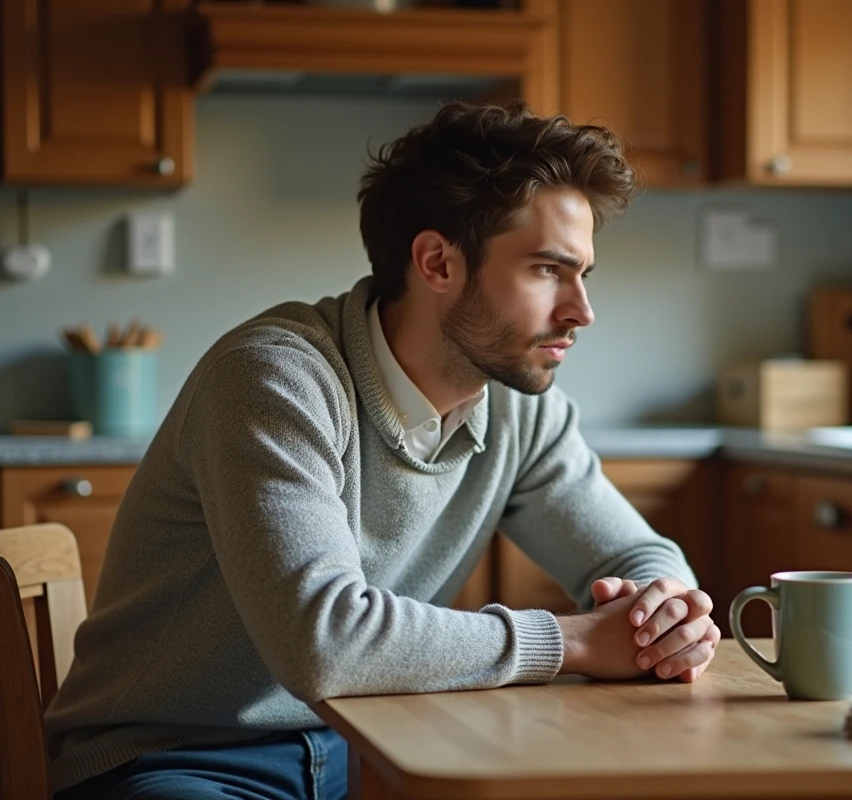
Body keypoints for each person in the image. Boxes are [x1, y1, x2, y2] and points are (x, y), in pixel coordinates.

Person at [46, 101, 720, 800]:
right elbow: (324, 641)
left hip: (354, 760)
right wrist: (573, 641)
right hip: (167, 764)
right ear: (436, 263)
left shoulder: (521, 406)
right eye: (549, 270)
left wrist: (663, 612)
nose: (581, 310)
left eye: (584, 275)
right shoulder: (274, 379)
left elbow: (637, 556)